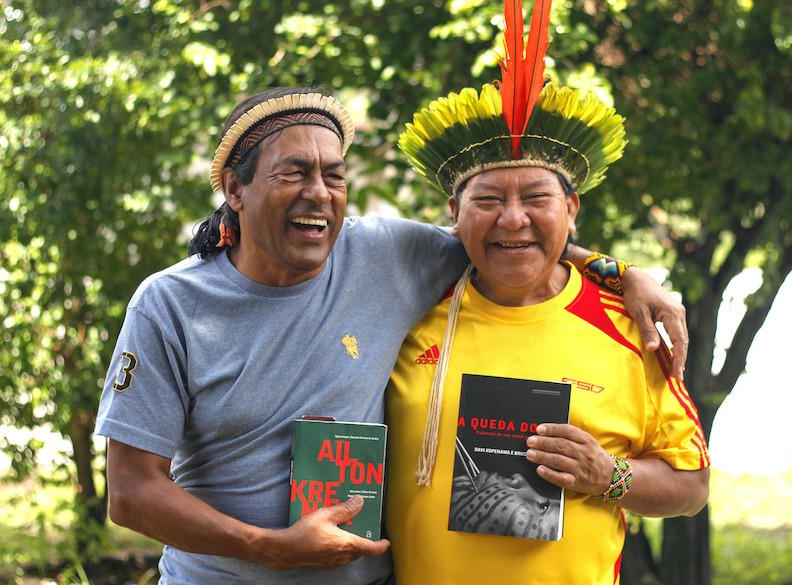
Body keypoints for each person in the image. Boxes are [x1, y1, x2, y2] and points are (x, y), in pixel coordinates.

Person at [95, 85, 689, 584]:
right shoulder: (170, 304)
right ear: (234, 189)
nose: (319, 192)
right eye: (294, 172)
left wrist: (623, 274)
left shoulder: (381, 254)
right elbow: (130, 493)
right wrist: (268, 545)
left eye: (334, 174)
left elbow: (506, 234)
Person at [384, 2, 710, 584]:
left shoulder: (629, 323)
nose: (513, 221)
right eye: (487, 201)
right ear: (454, 214)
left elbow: (692, 486)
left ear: (571, 210)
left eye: (536, 198)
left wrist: (608, 475)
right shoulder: (406, 311)